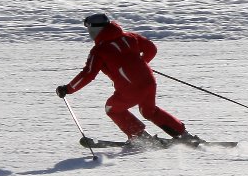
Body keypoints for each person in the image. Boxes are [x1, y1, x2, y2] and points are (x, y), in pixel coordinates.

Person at [57, 13, 194, 149]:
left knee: (112, 108)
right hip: (149, 81)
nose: (89, 33)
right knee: (149, 111)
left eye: (89, 30)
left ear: (95, 30)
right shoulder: (129, 37)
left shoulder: (99, 50)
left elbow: (88, 74)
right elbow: (151, 49)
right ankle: (184, 136)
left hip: (131, 87)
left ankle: (140, 138)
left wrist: (68, 89)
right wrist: (140, 64)